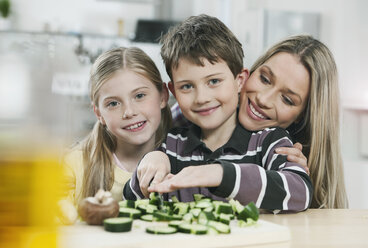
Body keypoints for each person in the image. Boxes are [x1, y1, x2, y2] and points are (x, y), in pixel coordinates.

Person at [123, 14, 313, 212]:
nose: (201, 98)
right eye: (187, 86)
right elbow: (130, 199)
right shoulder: (171, 145)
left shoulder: (269, 141)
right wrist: (150, 161)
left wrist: (222, 174)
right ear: (173, 91)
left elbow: (301, 191)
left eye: (214, 81)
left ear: (240, 80)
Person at [154, 34, 348, 209]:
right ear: (245, 75)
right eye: (264, 79)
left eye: (287, 100)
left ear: (302, 118)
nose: (263, 99)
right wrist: (153, 157)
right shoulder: (199, 110)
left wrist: (221, 174)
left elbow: (298, 190)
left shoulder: (279, 146)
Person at [58, 47, 172, 224]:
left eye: (140, 95)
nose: (129, 112)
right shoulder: (73, 165)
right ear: (99, 114)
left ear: (163, 96)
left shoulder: (185, 159)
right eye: (113, 103)